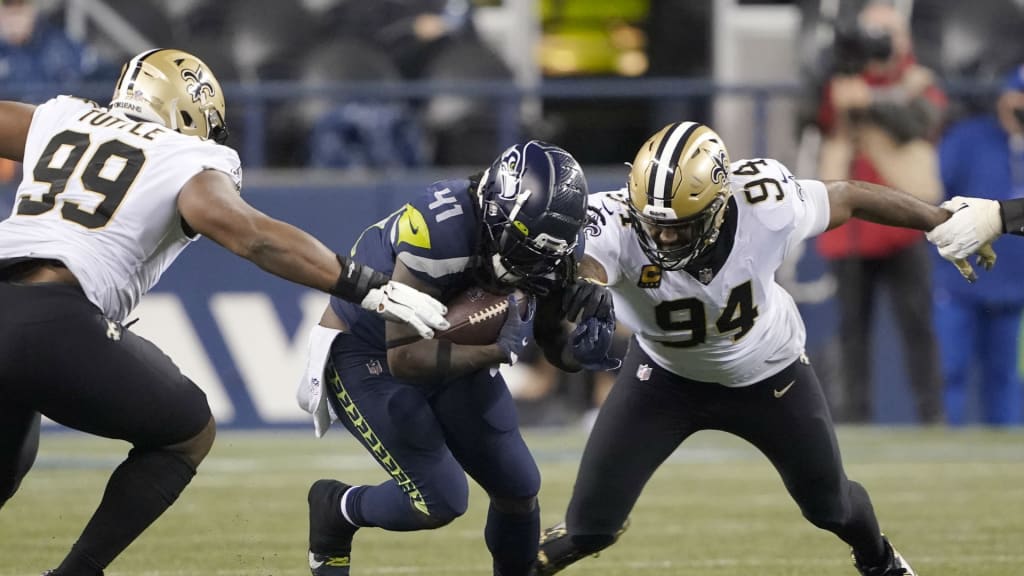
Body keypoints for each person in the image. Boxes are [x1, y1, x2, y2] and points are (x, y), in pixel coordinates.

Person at [0, 48, 450, 576]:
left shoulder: (62, 115)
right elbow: (250, 236)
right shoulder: (185, 155)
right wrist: (365, 285)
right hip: (53, 319)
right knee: (188, 432)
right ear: (188, 108)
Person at [532, 121, 951, 576]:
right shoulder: (614, 217)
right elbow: (583, 261)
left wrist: (939, 222)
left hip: (768, 373)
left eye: (681, 228)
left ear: (719, 204)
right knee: (590, 528)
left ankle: (881, 561)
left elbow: (848, 195)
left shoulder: (764, 202)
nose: (664, 239)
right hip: (663, 378)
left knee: (830, 507)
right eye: (655, 225)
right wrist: (583, 286)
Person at [300, 140, 618, 576]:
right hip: (369, 347)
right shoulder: (439, 228)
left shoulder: (552, 243)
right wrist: (499, 348)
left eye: (543, 256)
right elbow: (406, 357)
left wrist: (579, 350)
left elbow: (549, 338)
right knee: (438, 500)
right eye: (524, 248)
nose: (532, 265)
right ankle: (338, 508)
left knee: (519, 485)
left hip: (447, 347)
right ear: (495, 210)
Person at [814, 1, 946, 423]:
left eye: (883, 35)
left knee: (918, 327)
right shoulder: (836, 78)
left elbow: (919, 121)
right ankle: (854, 419)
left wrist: (868, 100)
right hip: (848, 226)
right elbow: (807, 117)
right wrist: (828, 67)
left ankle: (932, 418)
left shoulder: (917, 78)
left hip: (905, 221)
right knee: (852, 332)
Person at [931, 63, 1024, 426]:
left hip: (1016, 289)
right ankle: (942, 456)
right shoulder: (969, 138)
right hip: (959, 281)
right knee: (949, 372)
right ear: (1003, 97)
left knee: (1005, 381)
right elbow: (933, 196)